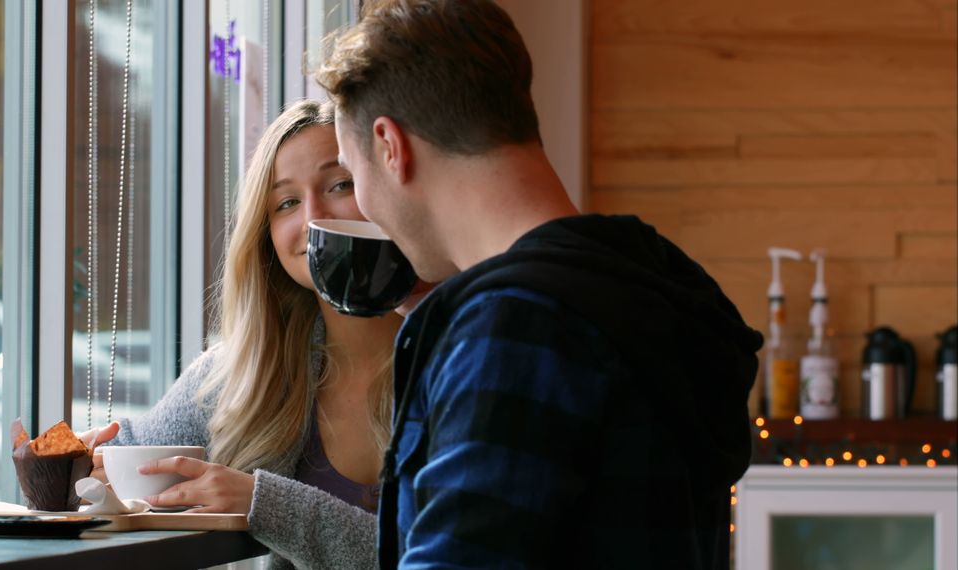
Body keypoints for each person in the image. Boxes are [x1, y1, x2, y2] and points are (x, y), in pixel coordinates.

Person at [316, 1, 764, 568]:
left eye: (353, 178)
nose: (363, 206)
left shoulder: (513, 325)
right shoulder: (649, 280)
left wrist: (467, 341)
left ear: (390, 146)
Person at [83, 99, 400, 570]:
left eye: (340, 184)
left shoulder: (456, 360)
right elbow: (128, 463)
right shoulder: (243, 374)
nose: (313, 217)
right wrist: (74, 467)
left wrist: (264, 503)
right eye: (287, 202)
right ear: (266, 237)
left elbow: (440, 559)